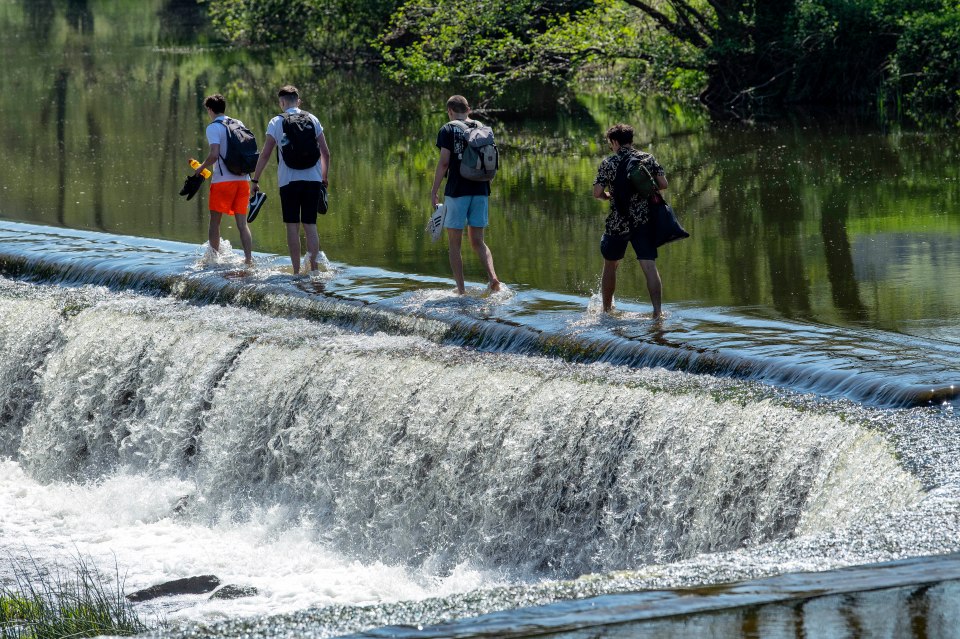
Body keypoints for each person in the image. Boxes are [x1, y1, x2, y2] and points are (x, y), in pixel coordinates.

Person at [250, 85, 331, 274]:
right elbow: (325, 153)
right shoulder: (313, 119)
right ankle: (314, 270)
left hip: (288, 182)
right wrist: (324, 178)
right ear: (298, 101)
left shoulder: (276, 122)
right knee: (310, 225)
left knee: (292, 227)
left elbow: (266, 154)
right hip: (313, 180)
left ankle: (296, 272)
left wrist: (255, 180)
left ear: (282, 102)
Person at [592, 123, 669, 318]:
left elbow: (597, 193)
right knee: (649, 266)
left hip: (618, 221)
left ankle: (607, 311)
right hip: (643, 220)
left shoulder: (608, 163)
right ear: (631, 140)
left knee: (610, 265)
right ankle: (657, 313)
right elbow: (663, 184)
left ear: (615, 142)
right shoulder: (647, 158)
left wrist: (608, 196)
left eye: (611, 143)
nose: (611, 147)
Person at [431, 95, 501, 294]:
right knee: (478, 241)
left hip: (457, 191)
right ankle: (493, 278)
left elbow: (444, 162)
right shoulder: (482, 127)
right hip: (481, 189)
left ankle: (461, 290)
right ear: (468, 109)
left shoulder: (447, 129)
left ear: (450, 111)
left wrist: (434, 190)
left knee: (455, 244)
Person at [194, 94, 254, 264]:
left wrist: (201, 168)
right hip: (243, 180)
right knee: (242, 224)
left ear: (210, 109)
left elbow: (214, 155)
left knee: (215, 223)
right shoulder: (238, 123)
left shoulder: (213, 127)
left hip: (223, 181)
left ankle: (214, 259)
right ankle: (248, 260)